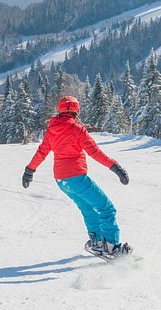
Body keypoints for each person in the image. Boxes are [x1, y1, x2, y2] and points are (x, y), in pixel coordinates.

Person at [22, 95, 131, 257]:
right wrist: (116, 167)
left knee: (88, 208)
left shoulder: (52, 130)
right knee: (106, 209)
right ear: (76, 111)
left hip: (61, 180)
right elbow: (95, 152)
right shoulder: (77, 129)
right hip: (76, 177)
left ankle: (97, 241)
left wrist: (29, 171)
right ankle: (111, 247)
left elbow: (42, 152)